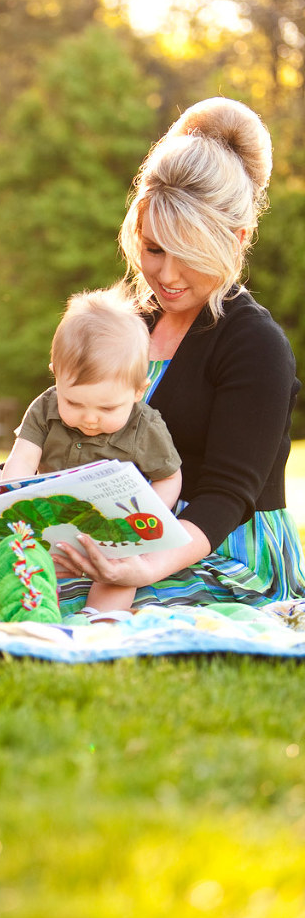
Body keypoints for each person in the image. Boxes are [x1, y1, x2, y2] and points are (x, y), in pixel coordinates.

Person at [50, 96, 305, 615]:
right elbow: (63, 434)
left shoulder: (255, 345)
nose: (166, 275)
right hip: (126, 532)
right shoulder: (130, 324)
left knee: (73, 602)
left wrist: (141, 566)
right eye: (154, 248)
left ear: (236, 239)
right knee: (0, 578)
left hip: (222, 548)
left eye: (187, 254)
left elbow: (226, 498)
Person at [0, 286, 182, 614]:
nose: (90, 418)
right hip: (55, 517)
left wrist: (145, 515)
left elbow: (169, 478)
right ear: (56, 374)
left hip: (113, 526)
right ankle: (36, 611)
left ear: (139, 391)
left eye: (108, 408)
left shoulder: (144, 426)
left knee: (120, 571)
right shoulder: (45, 407)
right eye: (74, 402)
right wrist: (13, 498)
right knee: (20, 556)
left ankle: (98, 618)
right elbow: (22, 459)